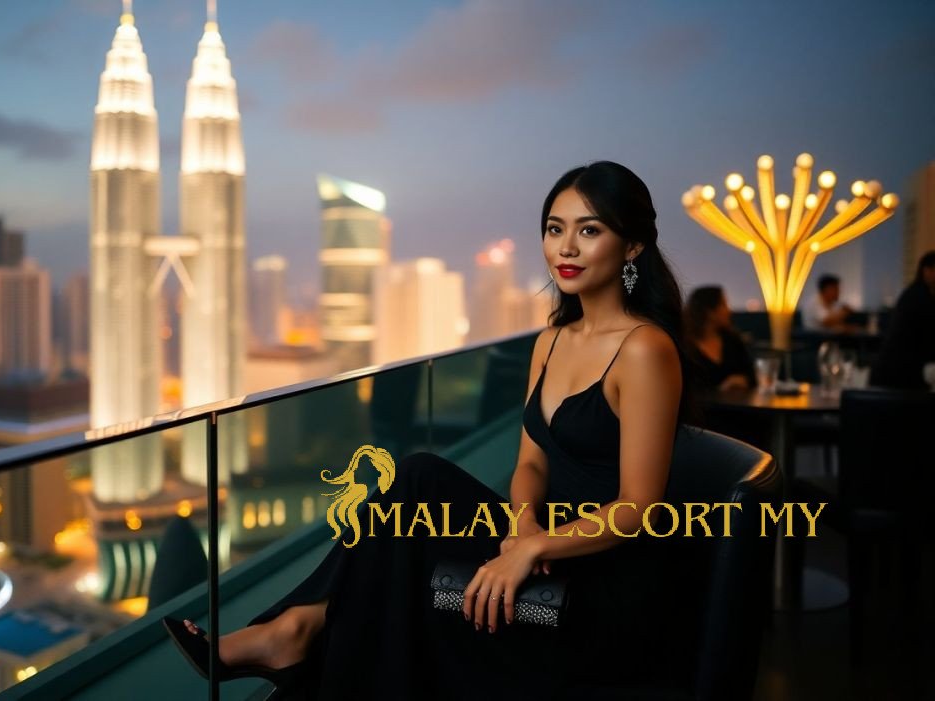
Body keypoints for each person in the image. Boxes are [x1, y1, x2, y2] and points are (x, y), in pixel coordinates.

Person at [163, 162, 695, 698]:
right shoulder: (552, 341)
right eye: (555, 229)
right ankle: (295, 630)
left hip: (603, 585)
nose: (566, 248)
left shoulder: (646, 350)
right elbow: (532, 463)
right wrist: (523, 523)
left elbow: (640, 508)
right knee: (416, 481)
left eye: (590, 229)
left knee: (400, 563)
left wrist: (534, 551)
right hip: (542, 540)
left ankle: (293, 632)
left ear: (631, 248)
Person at [870, 251, 935, 389]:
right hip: (898, 373)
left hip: (896, 369)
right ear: (927, 271)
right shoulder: (918, 298)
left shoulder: (915, 294)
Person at [684, 286, 757, 391]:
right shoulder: (685, 345)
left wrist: (743, 380)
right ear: (710, 312)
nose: (729, 310)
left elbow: (753, 375)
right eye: (724, 304)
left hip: (736, 406)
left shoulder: (732, 340)